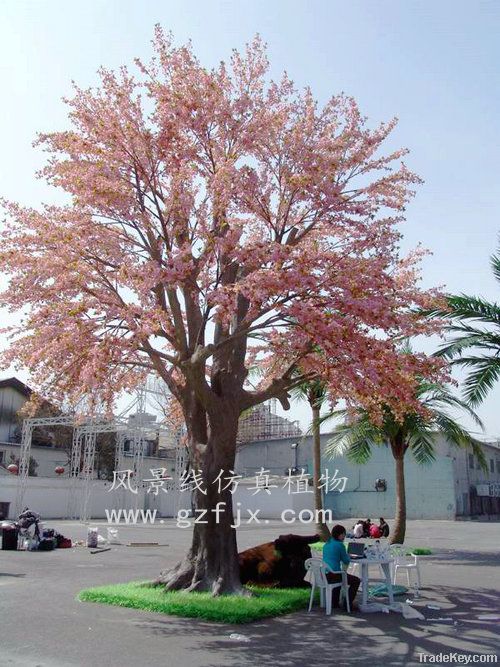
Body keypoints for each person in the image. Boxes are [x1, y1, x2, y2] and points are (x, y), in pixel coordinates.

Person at [322, 524, 361, 610]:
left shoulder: (327, 544)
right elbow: (346, 561)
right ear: (339, 534)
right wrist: (348, 555)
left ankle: (335, 603)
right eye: (343, 534)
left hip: (324, 573)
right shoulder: (340, 545)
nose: (344, 536)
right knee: (356, 581)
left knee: (340, 577)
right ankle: (347, 603)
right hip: (334, 574)